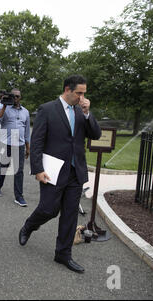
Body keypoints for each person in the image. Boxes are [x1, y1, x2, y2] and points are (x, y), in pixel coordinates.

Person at [18, 75, 101, 273]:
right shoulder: (47, 109)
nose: (82, 98)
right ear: (67, 90)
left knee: (70, 214)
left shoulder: (81, 111)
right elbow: (37, 141)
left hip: (75, 172)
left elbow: (95, 135)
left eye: (84, 93)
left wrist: (88, 113)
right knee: (49, 209)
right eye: (79, 93)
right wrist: (37, 169)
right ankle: (29, 226)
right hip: (52, 170)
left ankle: (63, 254)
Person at [0, 88, 30, 207]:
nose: (15, 98)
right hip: (6, 142)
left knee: (19, 171)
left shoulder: (26, 112)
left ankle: (19, 196)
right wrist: (3, 106)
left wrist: (28, 147)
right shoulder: (4, 108)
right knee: (4, 167)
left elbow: (27, 131)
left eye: (17, 96)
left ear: (20, 97)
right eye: (13, 96)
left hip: (19, 145)